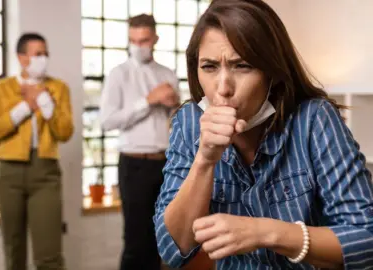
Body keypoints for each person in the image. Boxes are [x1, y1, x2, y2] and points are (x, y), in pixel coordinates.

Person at [154, 0, 373, 269]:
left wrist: (264, 232)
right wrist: (204, 160)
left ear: (273, 72)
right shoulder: (188, 122)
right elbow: (172, 248)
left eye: (242, 66)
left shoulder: (314, 118)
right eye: (209, 67)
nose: (222, 88)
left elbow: (365, 239)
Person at [0, 33, 73, 270]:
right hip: (9, 173)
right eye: (37, 54)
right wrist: (26, 106)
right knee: (14, 250)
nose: (43, 59)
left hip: (45, 172)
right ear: (22, 58)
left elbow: (64, 132)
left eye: (46, 54)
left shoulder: (58, 88)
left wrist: (44, 101)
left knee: (49, 255)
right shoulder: (2, 89)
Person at [99, 14, 180, 270]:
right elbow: (107, 121)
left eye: (144, 40)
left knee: (162, 238)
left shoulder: (168, 74)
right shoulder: (118, 75)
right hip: (133, 164)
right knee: (135, 240)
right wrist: (148, 100)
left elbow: (176, 124)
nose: (138, 46)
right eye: (133, 40)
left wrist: (174, 106)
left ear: (155, 39)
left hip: (165, 165)